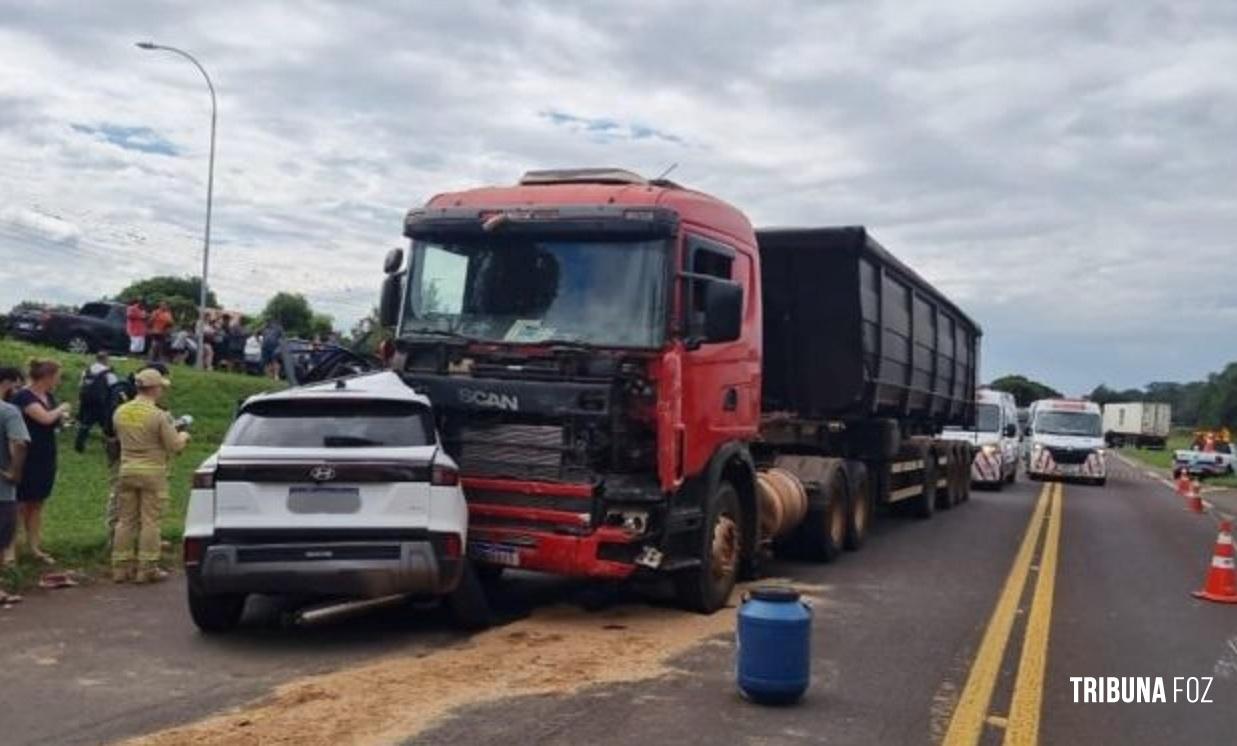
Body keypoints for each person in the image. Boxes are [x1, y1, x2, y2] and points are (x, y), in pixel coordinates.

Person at [111, 368, 189, 583]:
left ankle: (120, 568)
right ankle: (147, 569)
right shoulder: (158, 415)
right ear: (154, 388)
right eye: (161, 387)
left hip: (126, 470)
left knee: (125, 520)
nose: (162, 391)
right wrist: (183, 435)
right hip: (152, 472)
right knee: (150, 522)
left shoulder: (121, 412)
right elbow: (173, 446)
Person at [11, 359, 71, 564]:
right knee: (19, 503)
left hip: (46, 453)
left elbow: (52, 420)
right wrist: (61, 409)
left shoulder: (48, 396)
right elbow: (44, 418)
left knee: (37, 502)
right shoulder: (23, 396)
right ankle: (11, 548)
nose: (58, 381)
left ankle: (34, 546)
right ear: (47, 377)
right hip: (26, 454)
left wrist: (61, 417)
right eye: (57, 377)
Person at [1, 367, 31, 589]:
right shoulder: (9, 411)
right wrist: (15, 472)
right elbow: (19, 444)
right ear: (6, 383)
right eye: (17, 385)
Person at [75, 351, 117, 452]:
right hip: (102, 403)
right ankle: (111, 448)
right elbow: (114, 386)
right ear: (105, 359)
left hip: (86, 402)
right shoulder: (107, 372)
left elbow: (80, 385)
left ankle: (79, 446)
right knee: (107, 426)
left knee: (85, 424)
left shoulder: (87, 370)